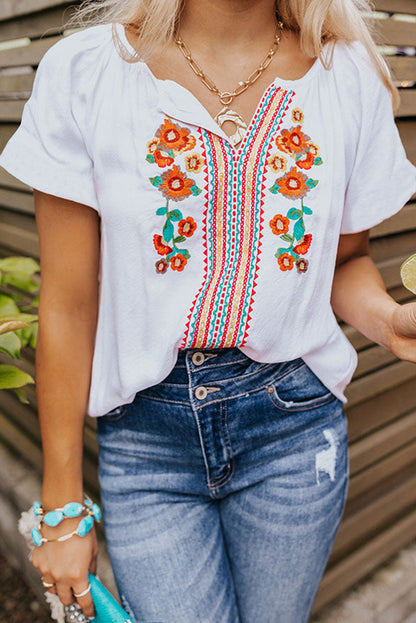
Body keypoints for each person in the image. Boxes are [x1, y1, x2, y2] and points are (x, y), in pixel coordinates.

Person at [1, 0, 416, 621]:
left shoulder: (347, 74)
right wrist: (62, 509)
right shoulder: (87, 72)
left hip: (293, 431)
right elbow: (68, 304)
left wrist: (390, 322)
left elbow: (344, 263)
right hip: (147, 444)